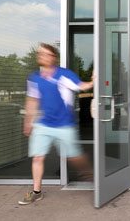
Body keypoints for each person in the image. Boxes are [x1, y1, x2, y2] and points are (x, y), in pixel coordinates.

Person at [18, 43, 94, 205]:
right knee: (38, 157)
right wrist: (27, 122)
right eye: (40, 53)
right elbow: (32, 100)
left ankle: (92, 175)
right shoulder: (35, 77)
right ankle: (36, 191)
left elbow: (81, 86)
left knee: (73, 156)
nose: (42, 56)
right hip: (44, 124)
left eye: (46, 54)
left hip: (64, 124)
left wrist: (92, 82)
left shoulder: (64, 74)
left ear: (53, 57)